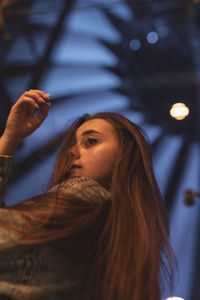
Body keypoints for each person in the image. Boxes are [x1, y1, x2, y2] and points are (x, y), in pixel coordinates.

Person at [0, 90, 177, 300]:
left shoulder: (85, 195)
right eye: (73, 145)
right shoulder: (122, 245)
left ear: (124, 156)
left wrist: (9, 139)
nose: (72, 152)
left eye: (91, 141)